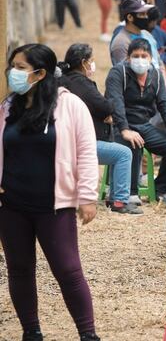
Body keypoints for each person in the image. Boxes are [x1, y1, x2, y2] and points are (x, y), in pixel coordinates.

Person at [0, 44, 99, 341]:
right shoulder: (8, 107)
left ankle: (88, 334)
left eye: (19, 67)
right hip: (12, 204)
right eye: (12, 66)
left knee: (68, 271)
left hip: (54, 204)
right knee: (19, 269)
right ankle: (31, 332)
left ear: (41, 73)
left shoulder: (70, 105)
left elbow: (86, 151)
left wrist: (87, 196)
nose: (12, 73)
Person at [58, 44, 142, 215]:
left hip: (67, 140)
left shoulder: (64, 79)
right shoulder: (80, 83)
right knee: (124, 153)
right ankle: (119, 201)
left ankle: (114, 197)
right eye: (91, 60)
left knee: (117, 152)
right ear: (83, 63)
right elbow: (105, 106)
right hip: (80, 145)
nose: (92, 64)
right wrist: (107, 112)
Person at [106, 39, 166, 206]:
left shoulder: (155, 75)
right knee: (133, 143)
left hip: (144, 125)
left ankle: (160, 190)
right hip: (119, 125)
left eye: (144, 56)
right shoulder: (118, 73)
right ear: (128, 58)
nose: (140, 60)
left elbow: (164, 104)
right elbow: (115, 102)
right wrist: (125, 129)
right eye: (135, 56)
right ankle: (129, 193)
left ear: (150, 58)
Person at [110, 0, 159, 67]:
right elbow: (125, 73)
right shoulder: (121, 43)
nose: (146, 17)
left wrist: (161, 77)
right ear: (130, 17)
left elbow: (159, 62)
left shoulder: (147, 35)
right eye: (142, 14)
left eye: (146, 14)